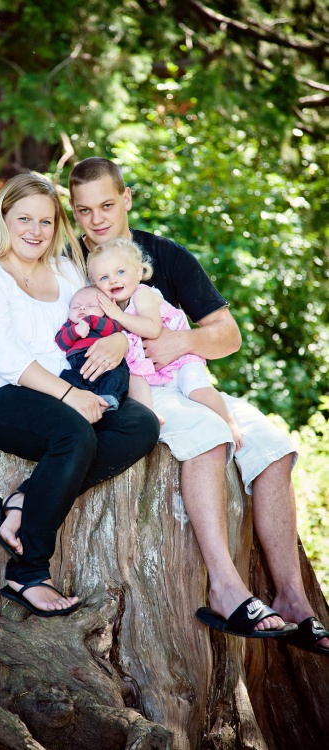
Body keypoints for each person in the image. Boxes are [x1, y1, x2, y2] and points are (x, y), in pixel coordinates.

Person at [67, 156, 329, 651]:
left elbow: (227, 336)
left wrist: (182, 341)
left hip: (180, 375)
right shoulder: (66, 262)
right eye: (83, 211)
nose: (97, 219)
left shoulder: (164, 256)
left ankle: (294, 600)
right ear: (74, 213)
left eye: (106, 204)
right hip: (127, 390)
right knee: (208, 437)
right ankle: (227, 588)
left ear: (126, 199)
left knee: (273, 446)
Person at [0, 172, 160, 618]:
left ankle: (25, 497)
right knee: (74, 435)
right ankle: (26, 573)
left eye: (45, 222)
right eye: (23, 218)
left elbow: (102, 316)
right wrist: (71, 397)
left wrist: (119, 341)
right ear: (3, 218)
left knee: (140, 424)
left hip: (60, 390)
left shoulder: (64, 271)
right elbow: (5, 358)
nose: (35, 231)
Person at [87, 236, 242, 446]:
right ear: (95, 284)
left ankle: (229, 421)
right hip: (155, 368)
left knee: (196, 389)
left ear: (139, 271)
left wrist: (117, 315)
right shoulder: (116, 306)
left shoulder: (142, 295)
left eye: (120, 272)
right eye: (103, 278)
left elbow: (152, 328)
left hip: (182, 359)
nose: (113, 280)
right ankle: (149, 417)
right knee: (134, 379)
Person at [55, 285, 130, 410]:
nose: (82, 308)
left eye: (92, 306)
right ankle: (87, 399)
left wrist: (91, 320)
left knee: (119, 375)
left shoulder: (105, 321)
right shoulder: (70, 324)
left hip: (108, 362)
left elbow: (115, 329)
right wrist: (75, 330)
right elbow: (61, 342)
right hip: (80, 361)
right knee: (66, 377)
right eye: (76, 307)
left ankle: (107, 400)